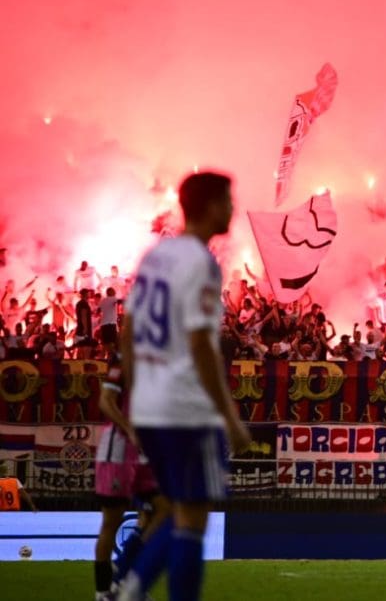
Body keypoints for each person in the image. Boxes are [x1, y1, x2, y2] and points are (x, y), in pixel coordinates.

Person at [118, 172, 251, 601]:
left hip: (153, 405)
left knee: (175, 508)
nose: (232, 209)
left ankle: (131, 589)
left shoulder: (158, 256)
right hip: (185, 406)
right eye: (228, 201)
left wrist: (137, 396)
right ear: (211, 206)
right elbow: (200, 344)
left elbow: (128, 328)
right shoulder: (200, 262)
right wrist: (230, 417)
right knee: (193, 519)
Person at [94, 352, 165, 601]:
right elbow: (106, 401)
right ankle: (104, 592)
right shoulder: (123, 360)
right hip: (119, 450)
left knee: (163, 509)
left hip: (144, 451)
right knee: (111, 522)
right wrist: (129, 429)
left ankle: (124, 575)